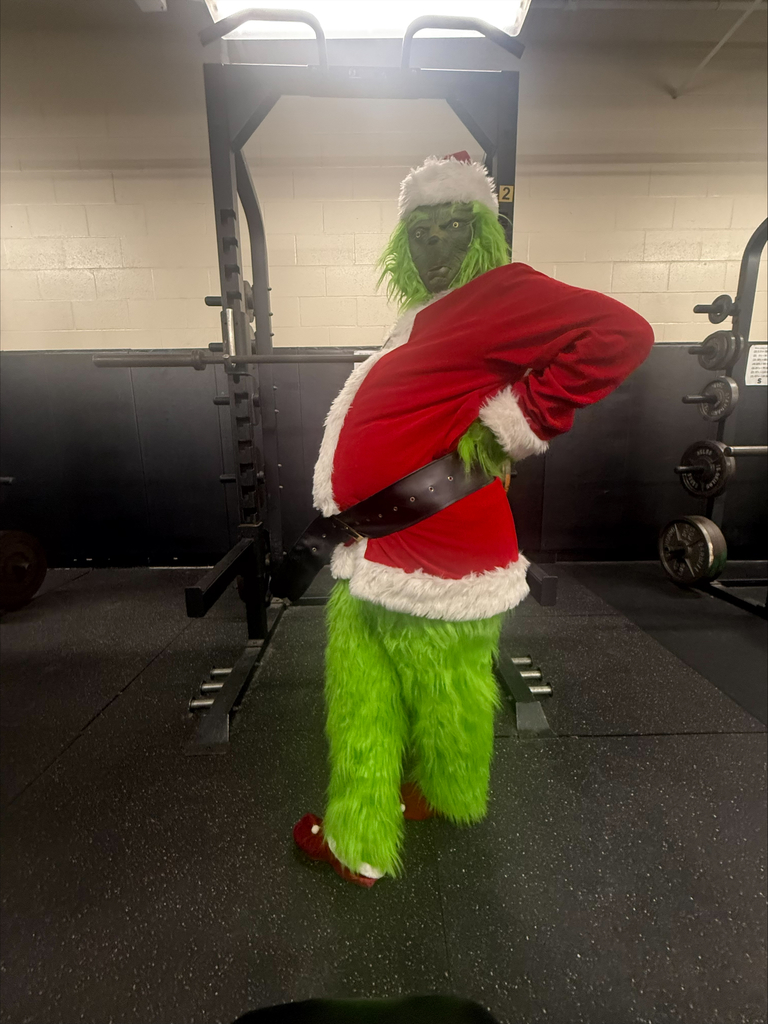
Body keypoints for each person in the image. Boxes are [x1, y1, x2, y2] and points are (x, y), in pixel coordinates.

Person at [293, 152, 654, 886]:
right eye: (421, 232)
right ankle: (440, 794)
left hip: (427, 546)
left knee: (370, 693)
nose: (436, 246)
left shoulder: (499, 293)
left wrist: (519, 420)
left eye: (453, 227)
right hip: (401, 543)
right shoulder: (427, 315)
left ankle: (358, 839)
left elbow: (624, 333)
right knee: (442, 685)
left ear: (483, 231)